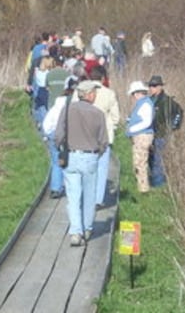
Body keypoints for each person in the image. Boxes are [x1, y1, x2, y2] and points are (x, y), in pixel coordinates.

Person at [54, 80, 108, 246]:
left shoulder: (67, 109)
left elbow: (58, 134)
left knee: (73, 196)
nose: (96, 95)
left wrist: (61, 147)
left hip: (71, 156)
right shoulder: (98, 113)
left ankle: (75, 232)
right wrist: (97, 153)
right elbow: (104, 141)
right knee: (89, 196)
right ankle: (87, 228)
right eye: (95, 92)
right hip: (90, 157)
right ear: (89, 94)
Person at [88, 66, 120, 208]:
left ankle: (87, 196)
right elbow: (115, 116)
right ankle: (98, 199)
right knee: (102, 168)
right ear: (103, 78)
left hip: (87, 134)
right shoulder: (109, 93)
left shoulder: (83, 92)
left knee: (88, 167)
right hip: (104, 135)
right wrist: (113, 127)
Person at [42, 78, 79, 199]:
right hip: (71, 135)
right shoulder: (77, 104)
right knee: (71, 162)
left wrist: (48, 134)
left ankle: (55, 188)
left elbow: (47, 122)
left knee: (56, 161)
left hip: (54, 134)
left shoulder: (57, 104)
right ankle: (71, 188)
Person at [125, 81, 155, 193]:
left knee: (140, 162)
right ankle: (142, 186)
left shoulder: (145, 104)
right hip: (141, 135)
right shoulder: (143, 104)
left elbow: (146, 122)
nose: (133, 98)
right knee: (139, 161)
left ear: (137, 93)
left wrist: (132, 129)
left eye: (133, 95)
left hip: (142, 135)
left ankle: (143, 189)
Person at [147, 75, 169, 187]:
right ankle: (152, 180)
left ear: (160, 86)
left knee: (158, 160)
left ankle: (158, 184)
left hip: (160, 133)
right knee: (150, 158)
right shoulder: (148, 100)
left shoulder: (166, 101)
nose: (151, 88)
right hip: (149, 133)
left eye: (154, 86)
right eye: (150, 86)